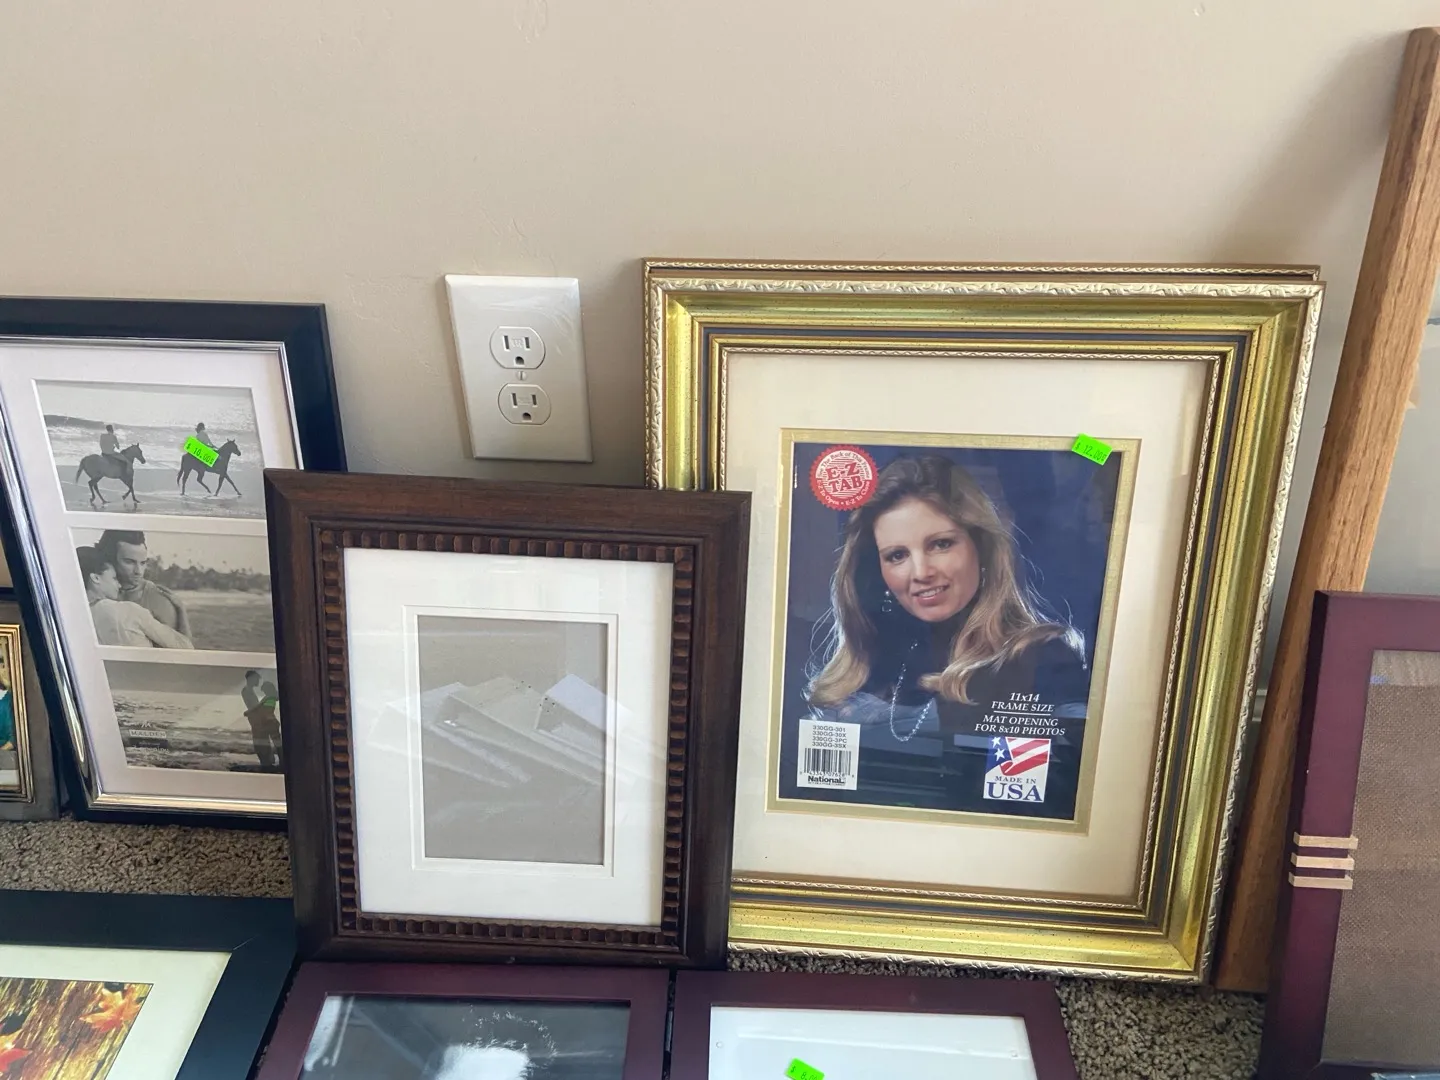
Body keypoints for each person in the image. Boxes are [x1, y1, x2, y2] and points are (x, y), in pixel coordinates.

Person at [802, 454, 1089, 817]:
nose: (921, 572)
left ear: (981, 547)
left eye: (940, 544)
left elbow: (1051, 802)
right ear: (879, 571)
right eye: (897, 555)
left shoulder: (1039, 657)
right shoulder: (867, 662)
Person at [78, 546, 194, 649]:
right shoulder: (130, 611)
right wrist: (181, 609)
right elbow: (186, 647)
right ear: (96, 578)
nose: (119, 585)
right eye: (114, 578)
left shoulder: (77, 618)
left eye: (143, 563)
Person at [96, 530, 190, 638]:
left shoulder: (159, 600)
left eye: (143, 563)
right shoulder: (94, 591)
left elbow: (181, 645)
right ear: (109, 560)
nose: (139, 571)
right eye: (129, 562)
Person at [241, 671, 282, 772]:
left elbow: (258, 706)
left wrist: (249, 712)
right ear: (251, 679)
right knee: (262, 742)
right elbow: (255, 706)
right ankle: (267, 763)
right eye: (256, 679)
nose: (258, 681)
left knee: (263, 742)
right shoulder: (247, 691)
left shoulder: (252, 692)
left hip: (261, 720)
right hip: (258, 720)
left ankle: (268, 763)